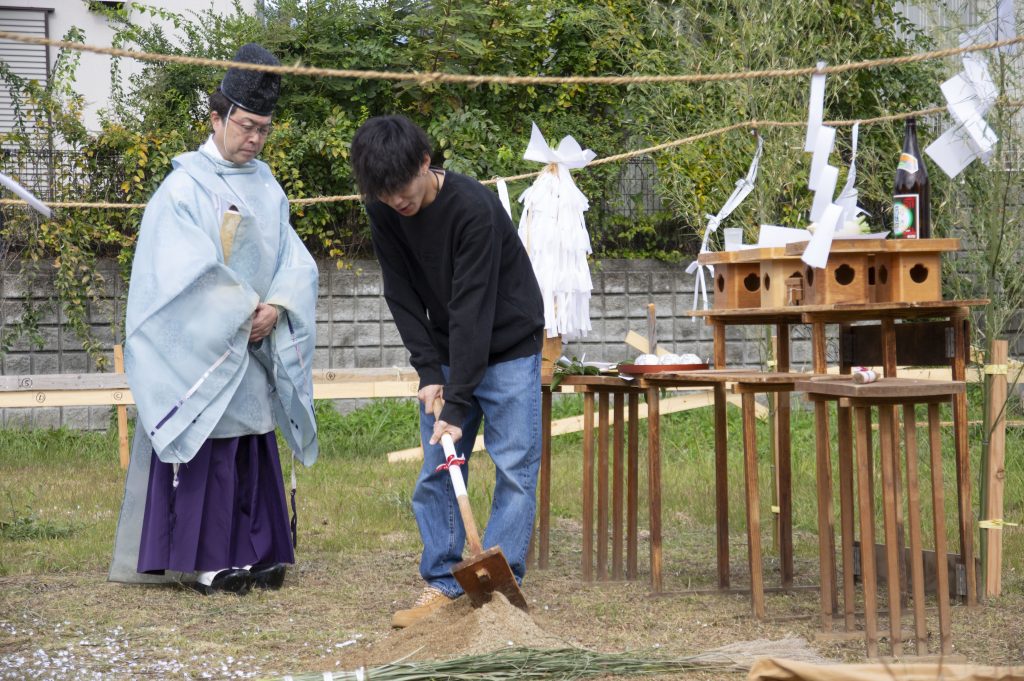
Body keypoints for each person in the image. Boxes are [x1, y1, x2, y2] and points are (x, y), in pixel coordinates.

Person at [109, 43, 319, 595]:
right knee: (207, 443)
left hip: (254, 337)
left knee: (250, 440)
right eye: (246, 126)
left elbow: (293, 259)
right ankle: (202, 561)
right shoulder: (182, 189)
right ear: (216, 118)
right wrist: (239, 309)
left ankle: (255, 551)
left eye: (263, 130)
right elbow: (178, 273)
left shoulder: (268, 187)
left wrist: (279, 304)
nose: (254, 138)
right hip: (204, 349)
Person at [349, 115, 545, 627]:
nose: (396, 200)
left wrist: (457, 403)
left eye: (402, 187)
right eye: (384, 193)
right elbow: (402, 293)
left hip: (507, 340)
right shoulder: (383, 207)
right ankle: (441, 582)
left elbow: (473, 310)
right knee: (437, 468)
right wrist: (429, 371)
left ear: (424, 162)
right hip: (449, 346)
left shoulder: (473, 209)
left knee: (515, 465)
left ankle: (501, 586)